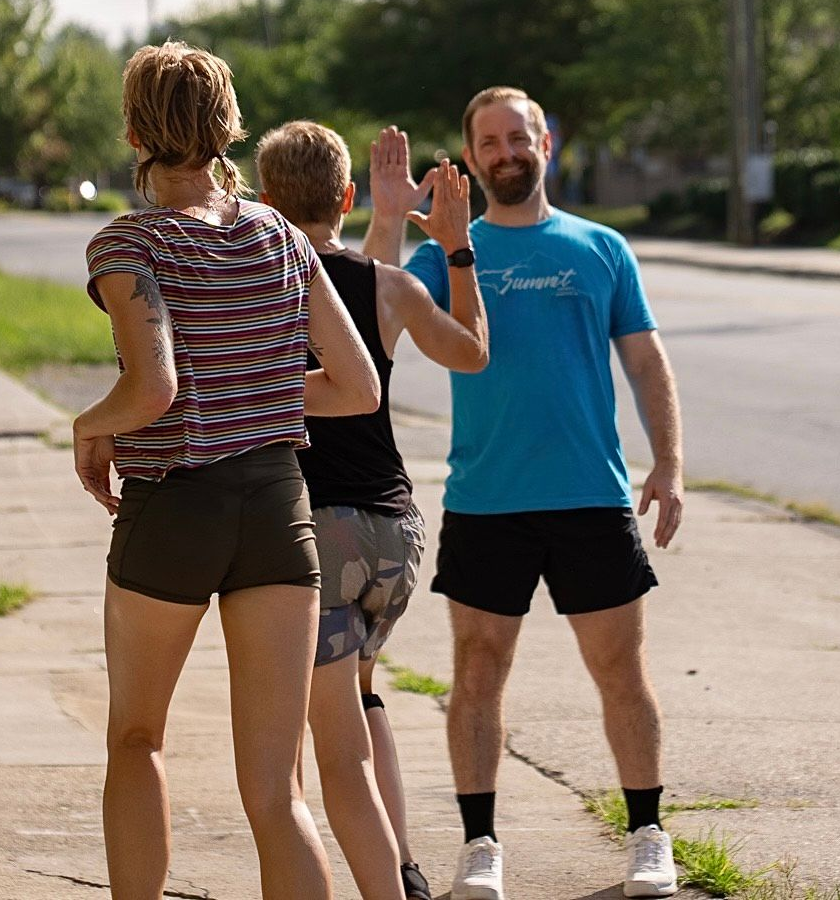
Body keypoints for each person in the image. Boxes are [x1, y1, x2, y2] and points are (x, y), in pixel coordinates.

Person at [72, 43, 381, 900]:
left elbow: (153, 388)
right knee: (277, 793)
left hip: (177, 508)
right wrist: (259, 390)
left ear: (135, 132)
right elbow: (356, 388)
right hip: (281, 509)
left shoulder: (128, 244)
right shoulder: (282, 233)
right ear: (227, 130)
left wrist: (88, 425)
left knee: (138, 739)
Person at [363, 89, 685, 900]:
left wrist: (669, 463)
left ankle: (648, 831)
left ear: (546, 141)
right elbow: (373, 314)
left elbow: (645, 362)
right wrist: (399, 219)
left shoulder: (601, 247)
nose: (506, 152)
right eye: (489, 142)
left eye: (518, 137)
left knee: (620, 668)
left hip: (589, 495)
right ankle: (481, 847)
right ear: (470, 159)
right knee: (477, 670)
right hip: (486, 499)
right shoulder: (447, 253)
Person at [254, 121, 488, 900]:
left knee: (326, 743)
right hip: (393, 533)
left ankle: (380, 887)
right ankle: (410, 870)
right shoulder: (389, 285)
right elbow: (472, 351)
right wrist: (457, 248)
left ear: (264, 202)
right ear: (346, 197)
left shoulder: (264, 283)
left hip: (313, 533)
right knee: (361, 693)